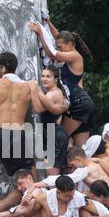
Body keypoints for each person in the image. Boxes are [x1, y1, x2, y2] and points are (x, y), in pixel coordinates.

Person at [29, 19, 95, 147]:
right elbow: (58, 38)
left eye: (60, 47)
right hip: (83, 104)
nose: (58, 48)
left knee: (59, 140)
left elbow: (53, 54)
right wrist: (48, 23)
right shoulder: (69, 52)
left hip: (78, 105)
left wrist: (40, 33)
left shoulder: (75, 56)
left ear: (70, 44)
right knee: (80, 149)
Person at [28, 65, 69, 175]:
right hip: (53, 132)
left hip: (53, 135)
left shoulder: (54, 93)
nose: (44, 79)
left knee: (52, 174)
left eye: (48, 77)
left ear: (55, 79)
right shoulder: (52, 92)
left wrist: (33, 89)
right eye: (42, 76)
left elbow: (38, 108)